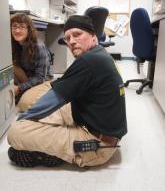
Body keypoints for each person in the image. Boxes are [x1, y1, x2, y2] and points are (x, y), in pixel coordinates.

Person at [7, 15, 127, 168]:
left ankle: (53, 153)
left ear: (93, 36)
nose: (71, 41)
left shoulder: (88, 61)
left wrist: (23, 119)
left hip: (96, 144)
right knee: (36, 107)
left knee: (16, 132)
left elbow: (53, 99)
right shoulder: (99, 54)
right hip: (91, 122)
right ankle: (51, 141)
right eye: (67, 38)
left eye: (77, 34)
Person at [10, 13, 52, 103]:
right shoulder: (14, 45)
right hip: (27, 79)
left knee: (25, 103)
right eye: (14, 26)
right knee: (10, 66)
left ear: (29, 30)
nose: (17, 30)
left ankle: (23, 95)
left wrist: (19, 88)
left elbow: (40, 77)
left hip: (42, 81)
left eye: (22, 27)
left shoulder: (38, 47)